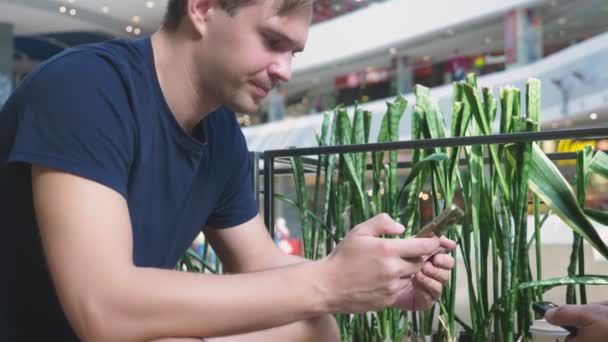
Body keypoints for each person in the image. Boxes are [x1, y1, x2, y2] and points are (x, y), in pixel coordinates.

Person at [0, 0, 457, 341]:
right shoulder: (85, 89)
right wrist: (327, 282)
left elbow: (261, 265)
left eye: (293, 52)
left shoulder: (219, 131)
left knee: (314, 327)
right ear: (202, 8)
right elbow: (102, 308)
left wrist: (373, 280)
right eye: (273, 42)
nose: (285, 71)